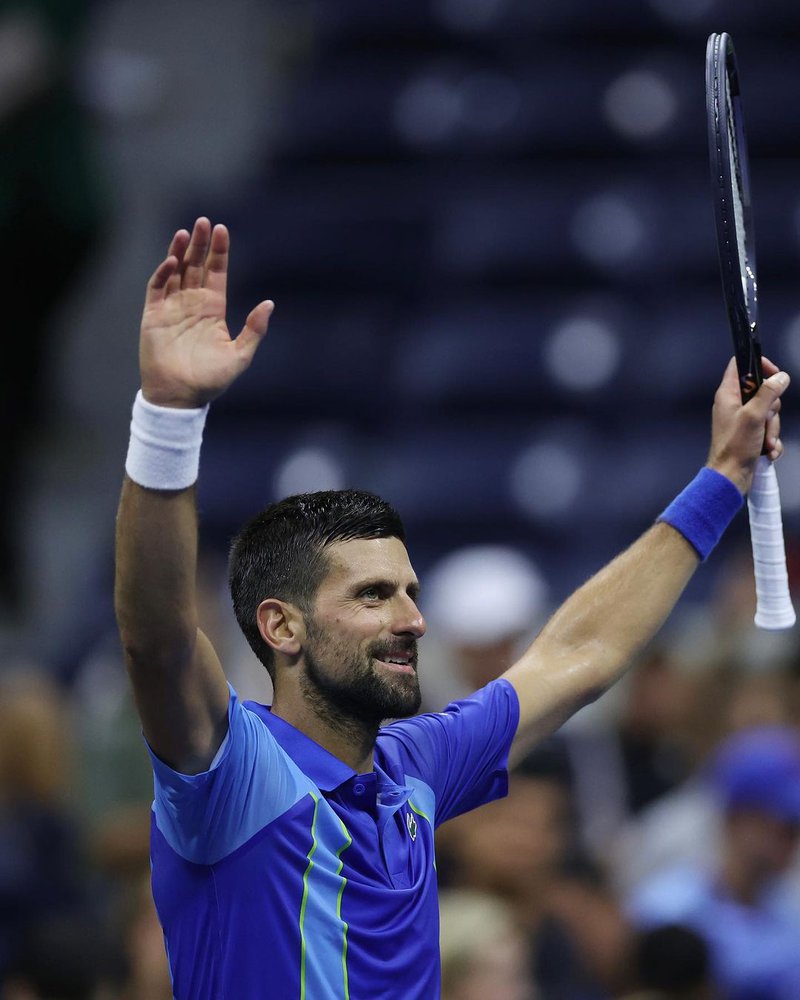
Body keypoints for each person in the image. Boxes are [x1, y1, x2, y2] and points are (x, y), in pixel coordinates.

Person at [113, 217, 789, 999]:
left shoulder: (418, 767)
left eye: (411, 593)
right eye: (373, 595)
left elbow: (581, 654)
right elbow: (158, 640)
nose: (413, 620)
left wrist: (722, 477)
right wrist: (167, 414)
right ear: (280, 626)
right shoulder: (233, 774)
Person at [625, 725, 800, 1000]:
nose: (792, 840)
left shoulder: (791, 912)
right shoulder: (667, 909)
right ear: (736, 819)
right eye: (782, 825)